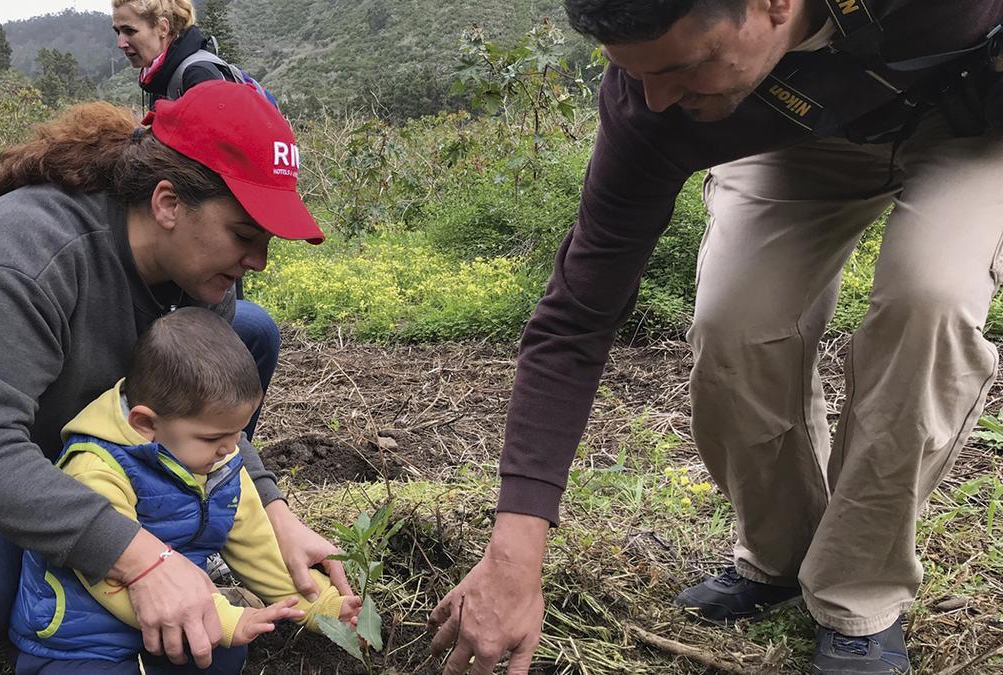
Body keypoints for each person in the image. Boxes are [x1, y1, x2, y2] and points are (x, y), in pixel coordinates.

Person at [428, 0, 1003, 673]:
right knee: (736, 324)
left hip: (970, 125)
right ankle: (779, 556)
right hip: (787, 132)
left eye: (681, 67)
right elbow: (576, 318)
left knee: (928, 301)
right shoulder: (653, 102)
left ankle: (858, 597)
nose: (658, 96)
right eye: (635, 73)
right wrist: (512, 559)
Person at [0, 81, 350, 671]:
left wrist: (275, 515)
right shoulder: (30, 253)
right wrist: (140, 558)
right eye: (245, 236)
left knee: (249, 331)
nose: (258, 260)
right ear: (167, 203)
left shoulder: (196, 275)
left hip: (43, 426)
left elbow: (201, 400)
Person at [10, 307, 361, 674]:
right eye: (213, 438)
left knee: (228, 655)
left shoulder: (218, 462)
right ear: (146, 423)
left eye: (236, 434)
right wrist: (222, 618)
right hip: (84, 642)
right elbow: (110, 578)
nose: (231, 449)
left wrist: (326, 608)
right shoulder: (96, 468)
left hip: (174, 623)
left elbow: (259, 547)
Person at [112, 0, 280, 442]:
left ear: (163, 26)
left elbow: (225, 190)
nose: (121, 42)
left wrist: (261, 498)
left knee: (250, 327)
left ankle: (207, 444)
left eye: (129, 30)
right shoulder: (47, 251)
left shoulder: (196, 75)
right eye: (118, 32)